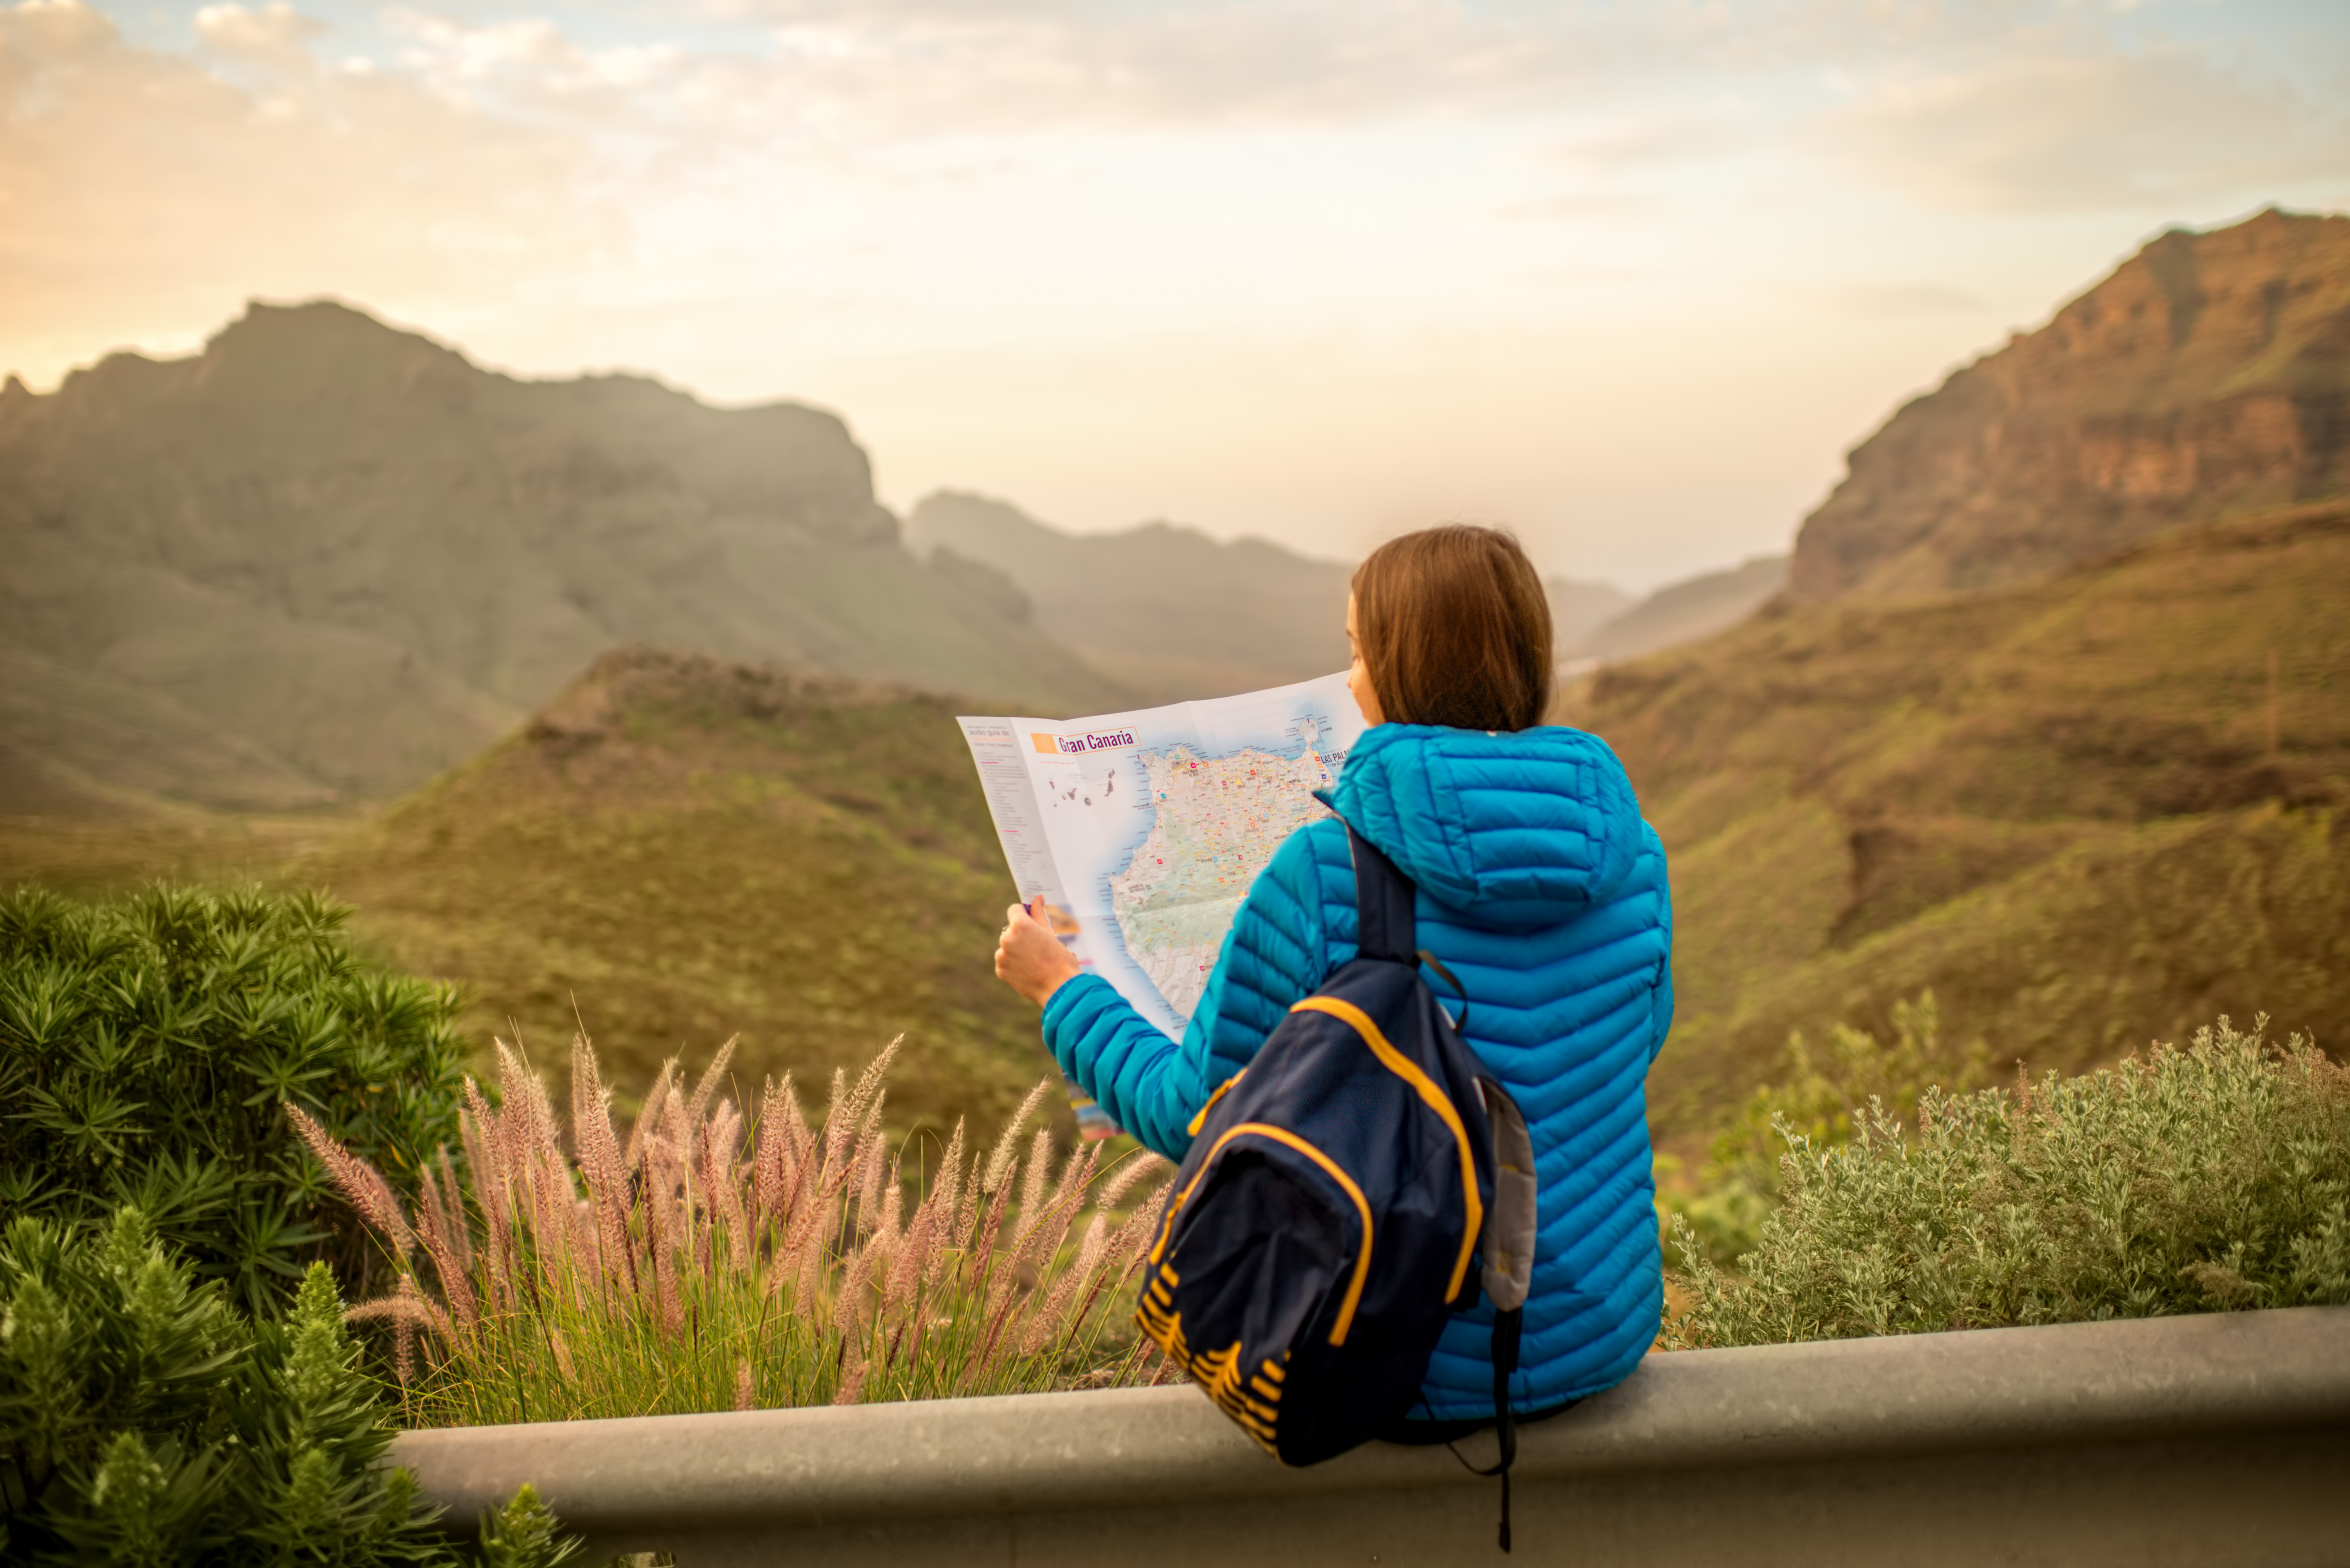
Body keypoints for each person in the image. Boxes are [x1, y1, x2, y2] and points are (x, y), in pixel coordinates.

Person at [992, 523, 1672, 1434]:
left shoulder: (1322, 875)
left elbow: (1195, 1116)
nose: (1349, 677)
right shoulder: (1632, 858)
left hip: (1409, 1370)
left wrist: (1060, 991)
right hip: (1599, 1339)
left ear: (1396, 665)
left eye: (1357, 649)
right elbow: (1629, 1046)